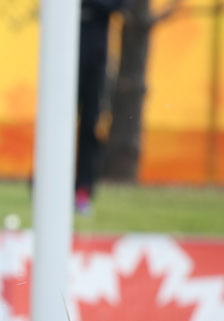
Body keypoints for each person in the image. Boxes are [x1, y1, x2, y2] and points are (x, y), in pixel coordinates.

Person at [75, 0, 125, 215]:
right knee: (56, 126)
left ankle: (82, 191)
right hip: (61, 56)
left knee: (89, 126)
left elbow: (119, 5)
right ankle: (49, 187)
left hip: (94, 59)